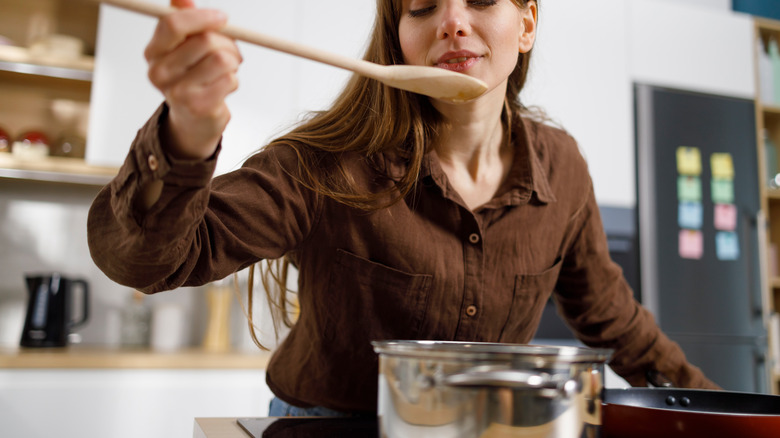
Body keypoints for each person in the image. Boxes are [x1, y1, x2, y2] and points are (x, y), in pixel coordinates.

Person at [87, 0, 719, 417]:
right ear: (398, 36)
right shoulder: (324, 163)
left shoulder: (564, 167)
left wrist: (721, 413)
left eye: (479, 0)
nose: (451, 21)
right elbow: (148, 261)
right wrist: (188, 130)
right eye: (421, 6)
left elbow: (613, 321)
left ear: (526, 24)